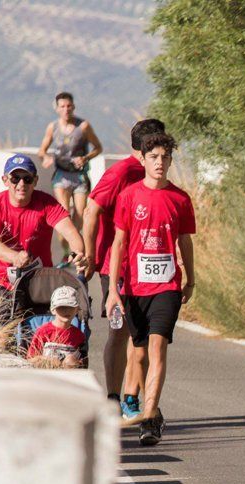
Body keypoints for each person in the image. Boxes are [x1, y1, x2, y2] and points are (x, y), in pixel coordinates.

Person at [105, 132, 195, 446]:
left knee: (158, 346)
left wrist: (190, 279)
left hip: (167, 286)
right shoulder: (129, 196)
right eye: (154, 157)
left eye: (165, 157)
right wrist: (114, 291)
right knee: (138, 352)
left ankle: (149, 416)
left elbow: (185, 241)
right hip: (133, 287)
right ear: (142, 159)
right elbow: (118, 243)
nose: (160, 163)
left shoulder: (180, 198)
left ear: (170, 161)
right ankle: (154, 413)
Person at [83, 119, 166, 415]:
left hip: (146, 267)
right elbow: (91, 210)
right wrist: (90, 255)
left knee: (141, 334)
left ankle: (134, 399)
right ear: (142, 149)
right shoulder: (121, 173)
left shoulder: (154, 176)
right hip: (114, 267)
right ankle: (114, 397)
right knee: (120, 332)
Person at [0, 153, 88, 325]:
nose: (21, 184)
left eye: (27, 179)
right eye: (15, 178)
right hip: (0, 281)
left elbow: (70, 232)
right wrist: (14, 257)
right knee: (1, 339)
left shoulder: (46, 203)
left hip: (39, 283)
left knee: (38, 336)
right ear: (5, 180)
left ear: (35, 180)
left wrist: (78, 252)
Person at [37, 91, 103, 266]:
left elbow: (98, 147)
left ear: (73, 107)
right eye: (62, 106)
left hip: (79, 175)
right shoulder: (53, 127)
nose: (66, 110)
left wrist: (86, 158)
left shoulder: (83, 127)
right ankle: (68, 252)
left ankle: (76, 249)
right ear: (57, 108)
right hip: (61, 176)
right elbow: (41, 150)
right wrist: (46, 158)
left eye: (69, 106)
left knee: (80, 214)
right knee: (63, 214)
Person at [27, 286, 85, 368]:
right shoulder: (43, 331)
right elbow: (30, 359)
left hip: (69, 375)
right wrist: (48, 360)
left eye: (70, 307)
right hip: (45, 372)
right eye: (61, 307)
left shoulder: (78, 335)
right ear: (53, 310)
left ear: (77, 309)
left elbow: (82, 359)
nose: (66, 310)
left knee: (70, 360)